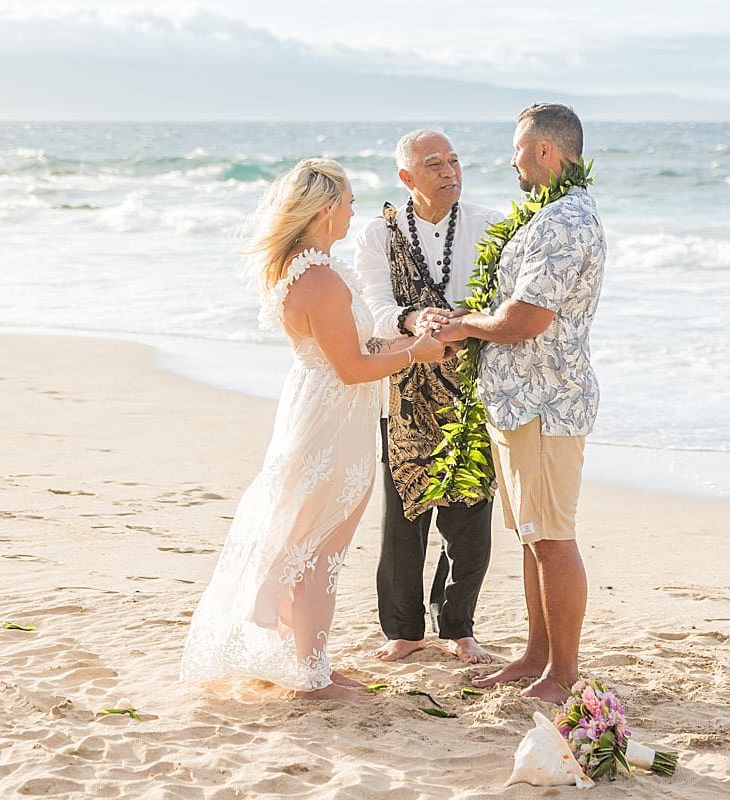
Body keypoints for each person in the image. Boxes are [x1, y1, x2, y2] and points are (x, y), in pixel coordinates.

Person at [180, 158, 445, 702]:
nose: (353, 213)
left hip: (327, 412)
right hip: (331, 421)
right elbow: (350, 368)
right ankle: (312, 676)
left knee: (313, 546)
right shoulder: (319, 279)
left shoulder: (311, 267)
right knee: (319, 551)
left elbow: (354, 351)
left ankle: (313, 663)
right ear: (327, 210)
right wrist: (417, 354)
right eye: (348, 203)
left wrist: (409, 339)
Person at [435, 104, 606, 703]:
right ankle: (537, 656)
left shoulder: (566, 221)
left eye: (517, 149)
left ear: (544, 152)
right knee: (534, 535)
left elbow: (524, 319)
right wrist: (467, 320)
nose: (510, 161)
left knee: (553, 538)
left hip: (546, 404)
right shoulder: (547, 215)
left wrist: (462, 328)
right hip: (517, 401)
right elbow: (508, 310)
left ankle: (563, 673)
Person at [355, 130, 503, 664]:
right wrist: (413, 318)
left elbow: (504, 300)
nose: (449, 171)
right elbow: (373, 303)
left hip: (470, 383)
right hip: (404, 383)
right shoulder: (380, 235)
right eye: (435, 163)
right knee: (405, 512)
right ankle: (403, 630)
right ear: (407, 177)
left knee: (470, 512)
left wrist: (462, 321)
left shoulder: (489, 225)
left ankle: (459, 627)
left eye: (455, 161)